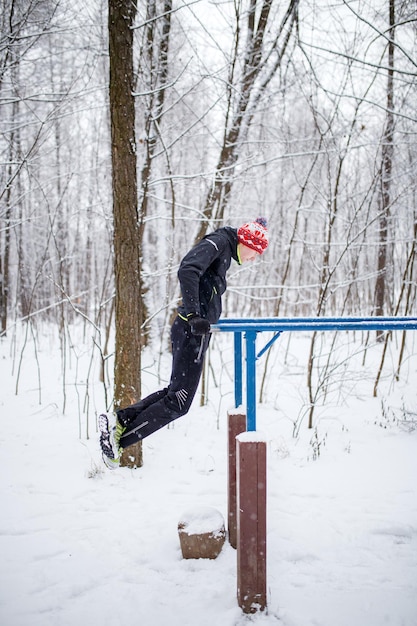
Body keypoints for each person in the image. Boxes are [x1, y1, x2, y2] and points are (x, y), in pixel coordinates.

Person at [99, 217, 269, 468]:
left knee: (175, 396)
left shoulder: (225, 250)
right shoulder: (219, 242)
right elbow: (188, 268)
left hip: (194, 332)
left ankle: (119, 420)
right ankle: (118, 439)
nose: (254, 259)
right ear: (245, 242)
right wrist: (194, 315)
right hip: (191, 331)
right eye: (255, 252)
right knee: (178, 402)